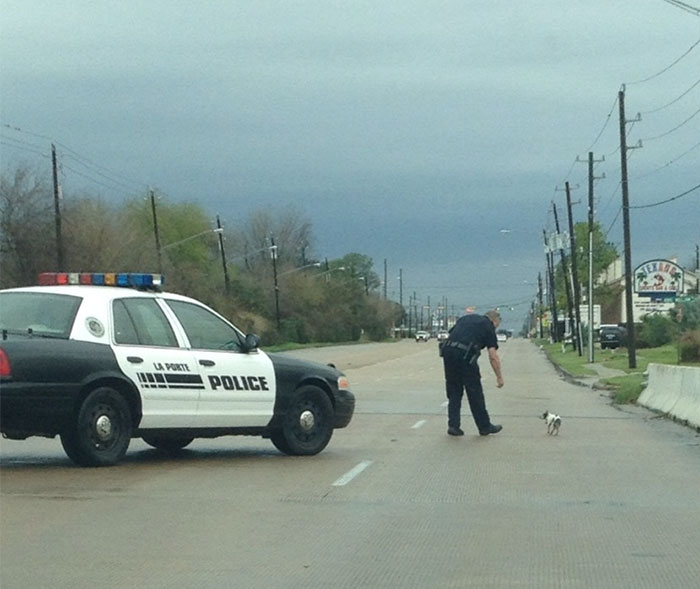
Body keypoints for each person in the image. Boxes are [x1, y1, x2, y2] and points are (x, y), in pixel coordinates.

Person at [441, 309, 504, 436]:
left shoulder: (465, 318)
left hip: (448, 352)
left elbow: (453, 333)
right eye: (497, 325)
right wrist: (499, 377)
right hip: (465, 354)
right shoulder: (488, 326)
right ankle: (484, 426)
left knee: (454, 390)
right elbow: (493, 356)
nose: (496, 328)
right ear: (494, 321)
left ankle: (453, 426)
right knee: (474, 391)